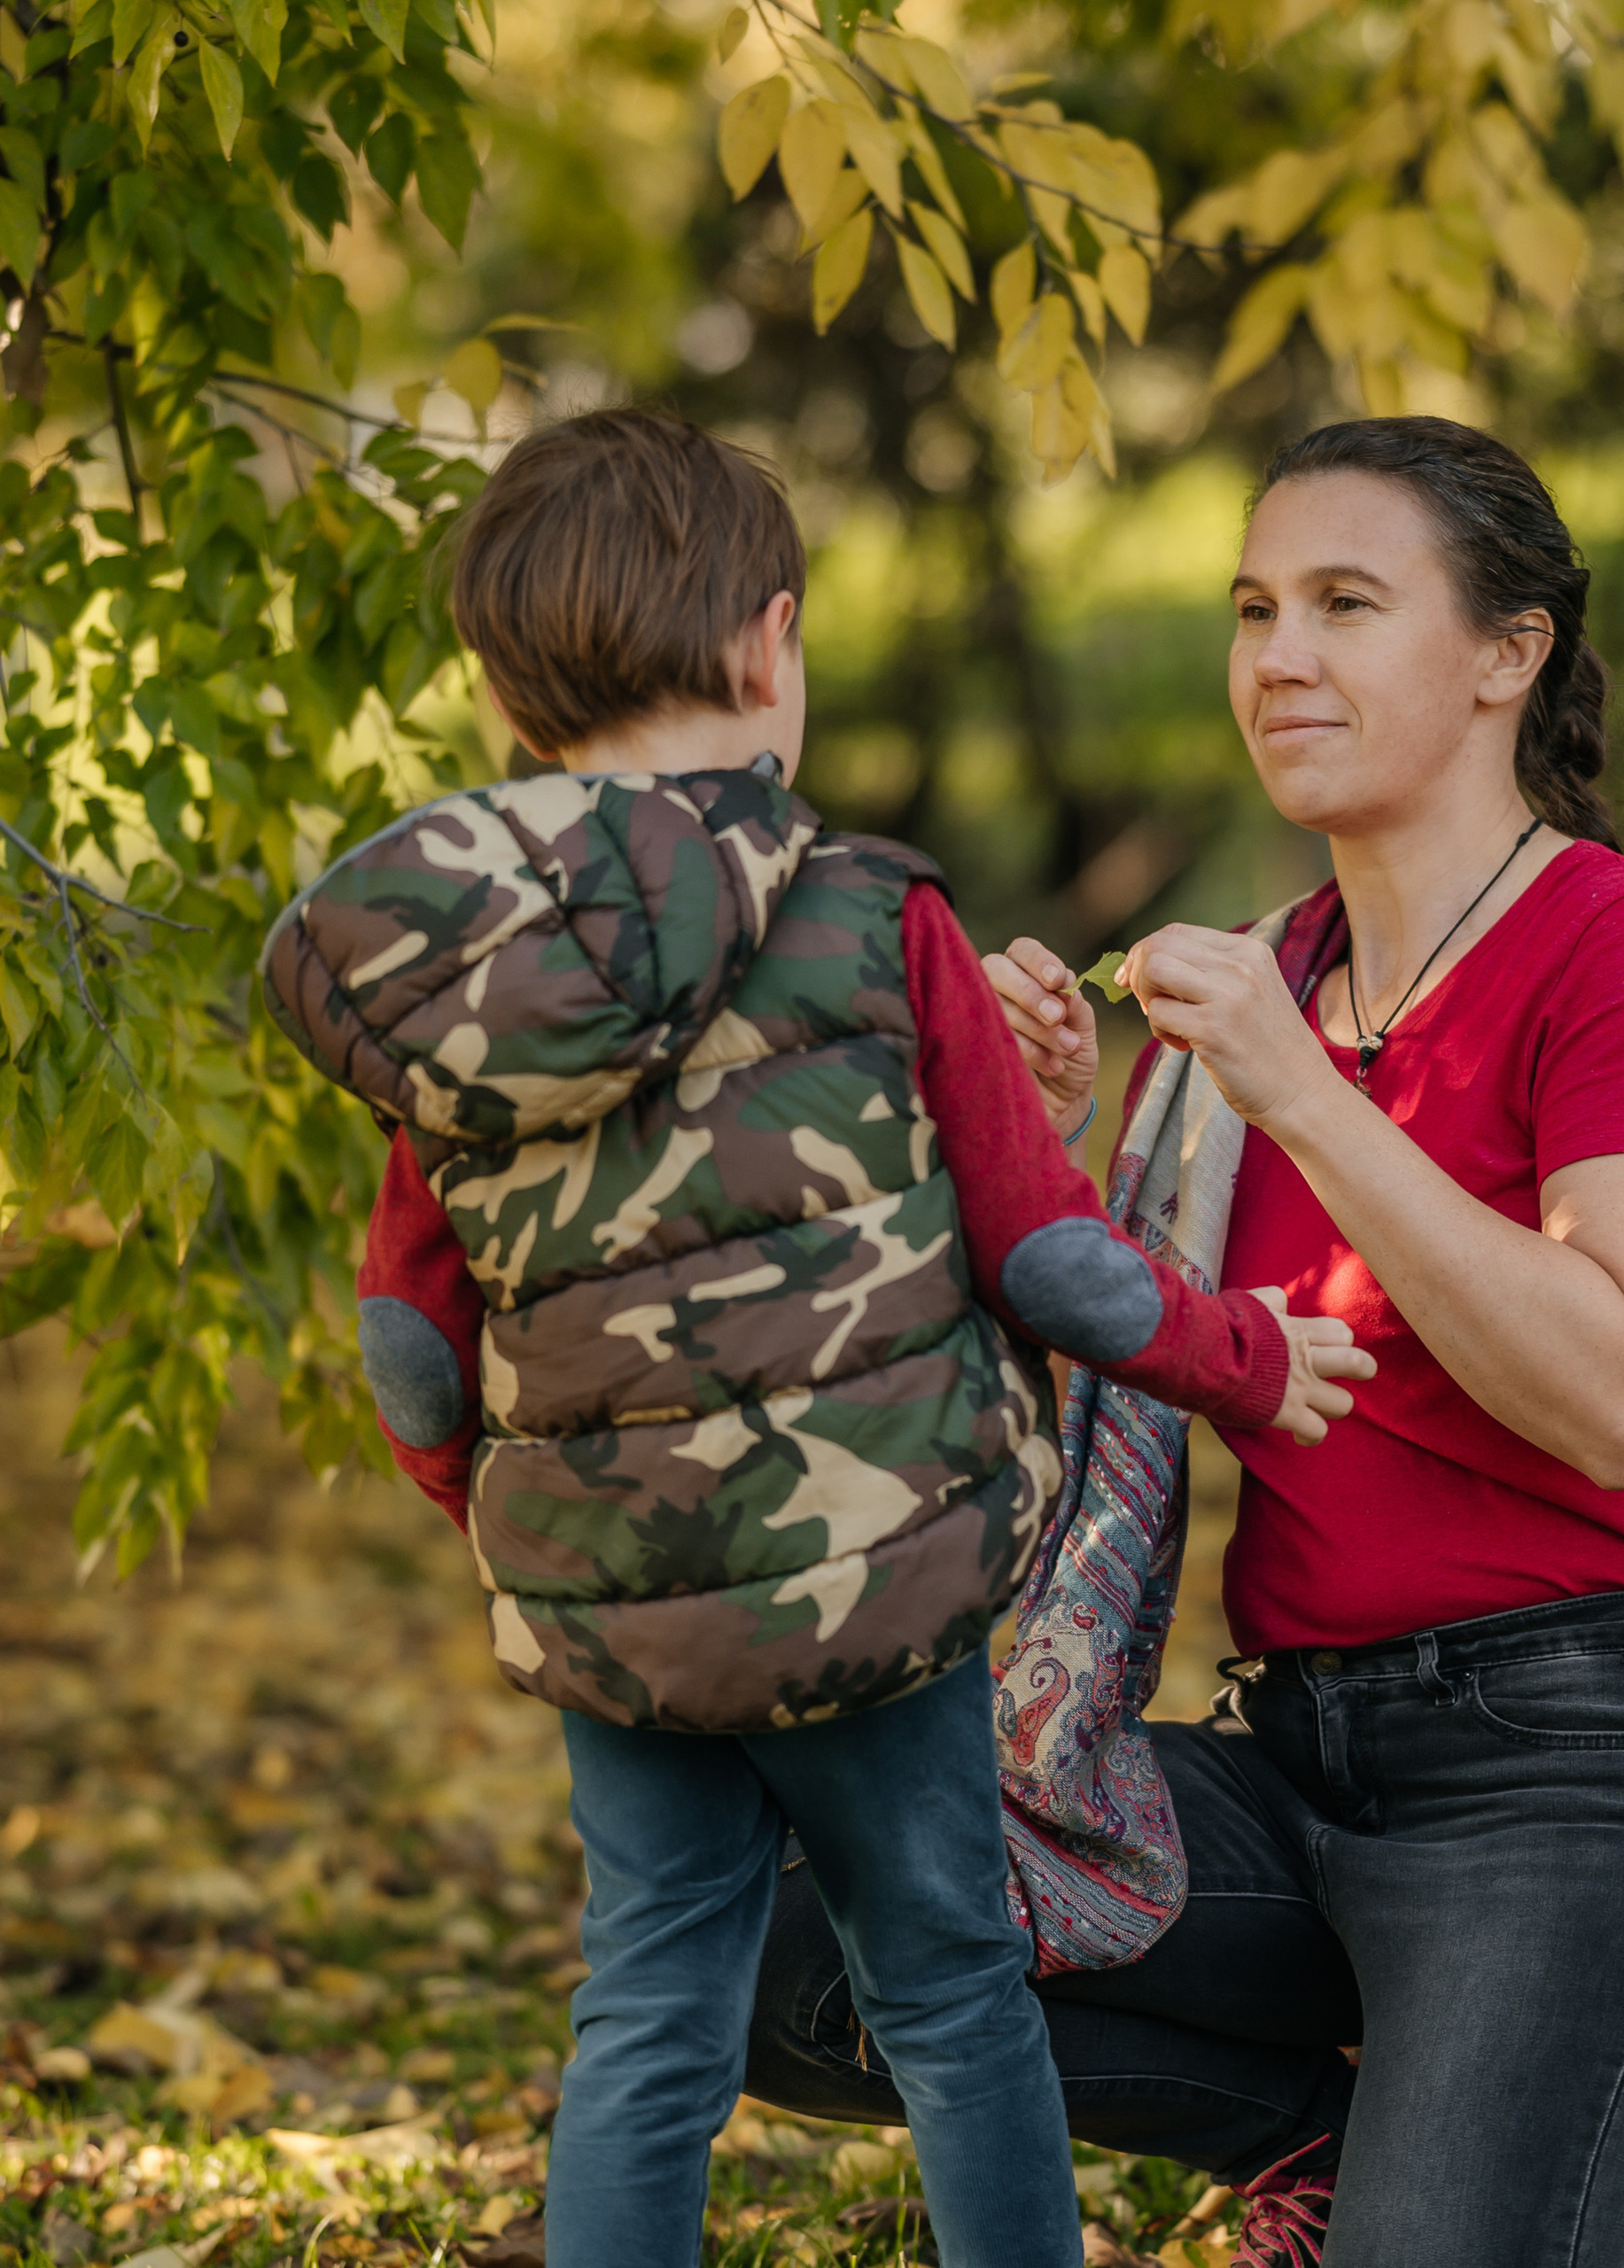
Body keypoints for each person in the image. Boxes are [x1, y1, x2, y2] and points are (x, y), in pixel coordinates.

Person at [740, 416, 1624, 2268]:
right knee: (786, 1924)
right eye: (1250, 607)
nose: (1275, 655)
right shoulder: (1258, 990)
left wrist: (1295, 1091)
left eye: (1344, 604)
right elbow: (1089, 1388)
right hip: (1298, 1755)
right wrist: (1013, 1137)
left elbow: (1621, 1396)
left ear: (1502, 656)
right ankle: (1397, 2127)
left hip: (1589, 1754)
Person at [256, 407, 1371, 2268]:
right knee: (948, 1984)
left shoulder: (454, 982)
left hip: (618, 1590)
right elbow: (1046, 1258)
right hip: (871, 1572)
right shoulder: (868, 909)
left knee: (649, 2013)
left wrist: (526, 1511)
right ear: (771, 645)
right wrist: (1247, 1354)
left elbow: (411, 1343)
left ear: (509, 688)